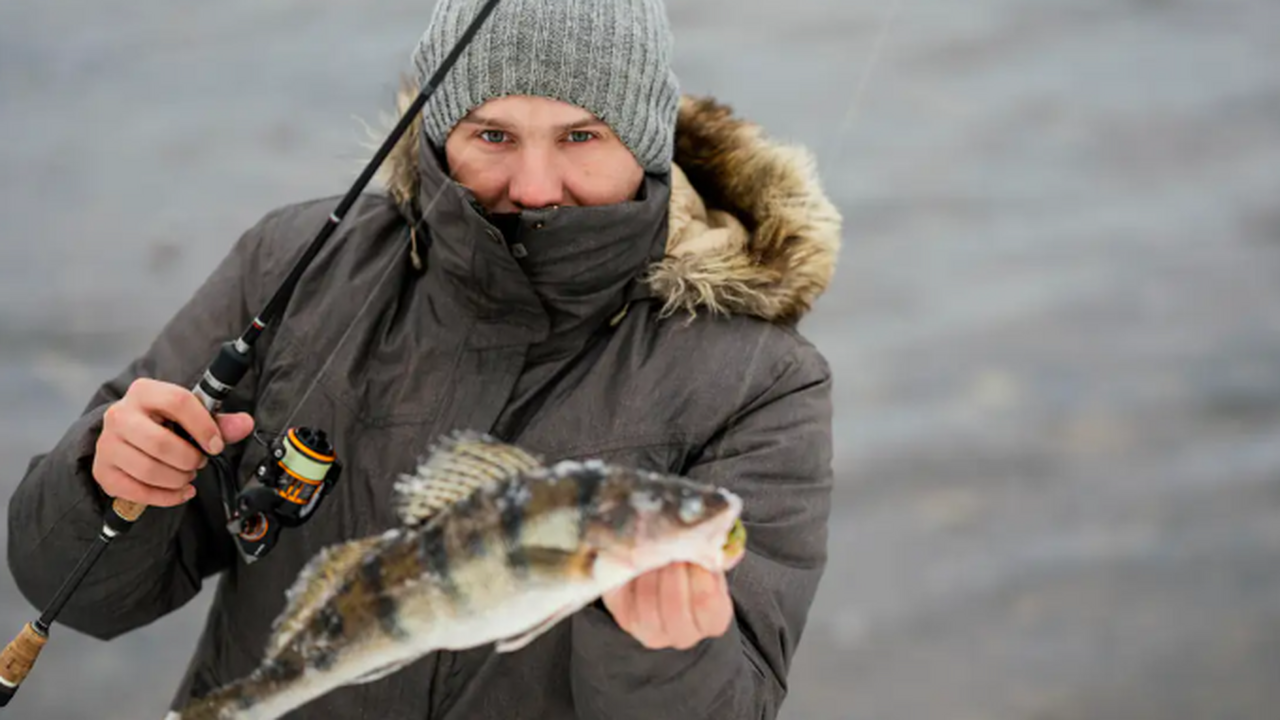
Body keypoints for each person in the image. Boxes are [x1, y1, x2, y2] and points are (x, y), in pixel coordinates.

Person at [6, 0, 842, 717]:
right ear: (440, 130)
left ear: (648, 141)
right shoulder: (288, 267)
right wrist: (103, 483)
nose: (538, 185)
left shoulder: (762, 381)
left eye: (583, 135)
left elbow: (732, 703)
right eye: (494, 134)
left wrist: (666, 657)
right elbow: (79, 590)